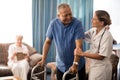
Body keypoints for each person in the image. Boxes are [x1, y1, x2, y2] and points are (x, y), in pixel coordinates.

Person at [38, 3, 85, 80]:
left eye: (70, 14)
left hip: (77, 65)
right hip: (61, 65)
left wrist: (75, 64)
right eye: (65, 15)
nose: (69, 17)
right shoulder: (53, 24)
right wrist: (43, 59)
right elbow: (48, 42)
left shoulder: (77, 24)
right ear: (58, 16)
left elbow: (78, 46)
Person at [74, 10, 113, 80]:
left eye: (94, 19)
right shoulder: (93, 30)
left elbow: (101, 56)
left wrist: (82, 54)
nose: (92, 20)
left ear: (101, 22)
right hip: (94, 66)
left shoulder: (107, 36)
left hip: (102, 68)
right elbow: (82, 35)